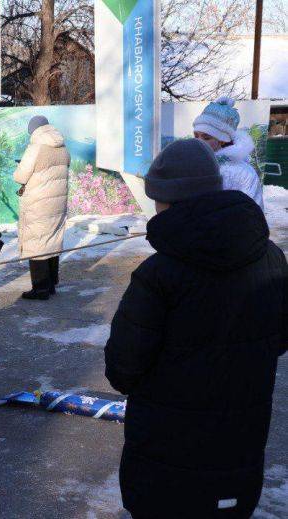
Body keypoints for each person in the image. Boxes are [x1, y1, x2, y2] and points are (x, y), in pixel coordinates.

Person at [104, 139, 288, 518]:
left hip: (165, 453)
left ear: (168, 199)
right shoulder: (270, 256)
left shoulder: (160, 274)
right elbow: (279, 337)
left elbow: (123, 367)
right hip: (239, 447)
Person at [14, 115, 69, 301]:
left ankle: (40, 288)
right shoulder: (62, 146)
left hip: (38, 202)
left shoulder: (35, 147)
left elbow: (20, 177)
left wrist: (20, 166)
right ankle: (52, 283)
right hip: (57, 202)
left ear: (34, 130)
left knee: (37, 242)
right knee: (52, 240)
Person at [193, 96, 264, 209]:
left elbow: (253, 214)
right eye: (196, 136)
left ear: (222, 140)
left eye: (206, 137)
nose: (198, 142)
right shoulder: (191, 166)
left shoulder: (244, 173)